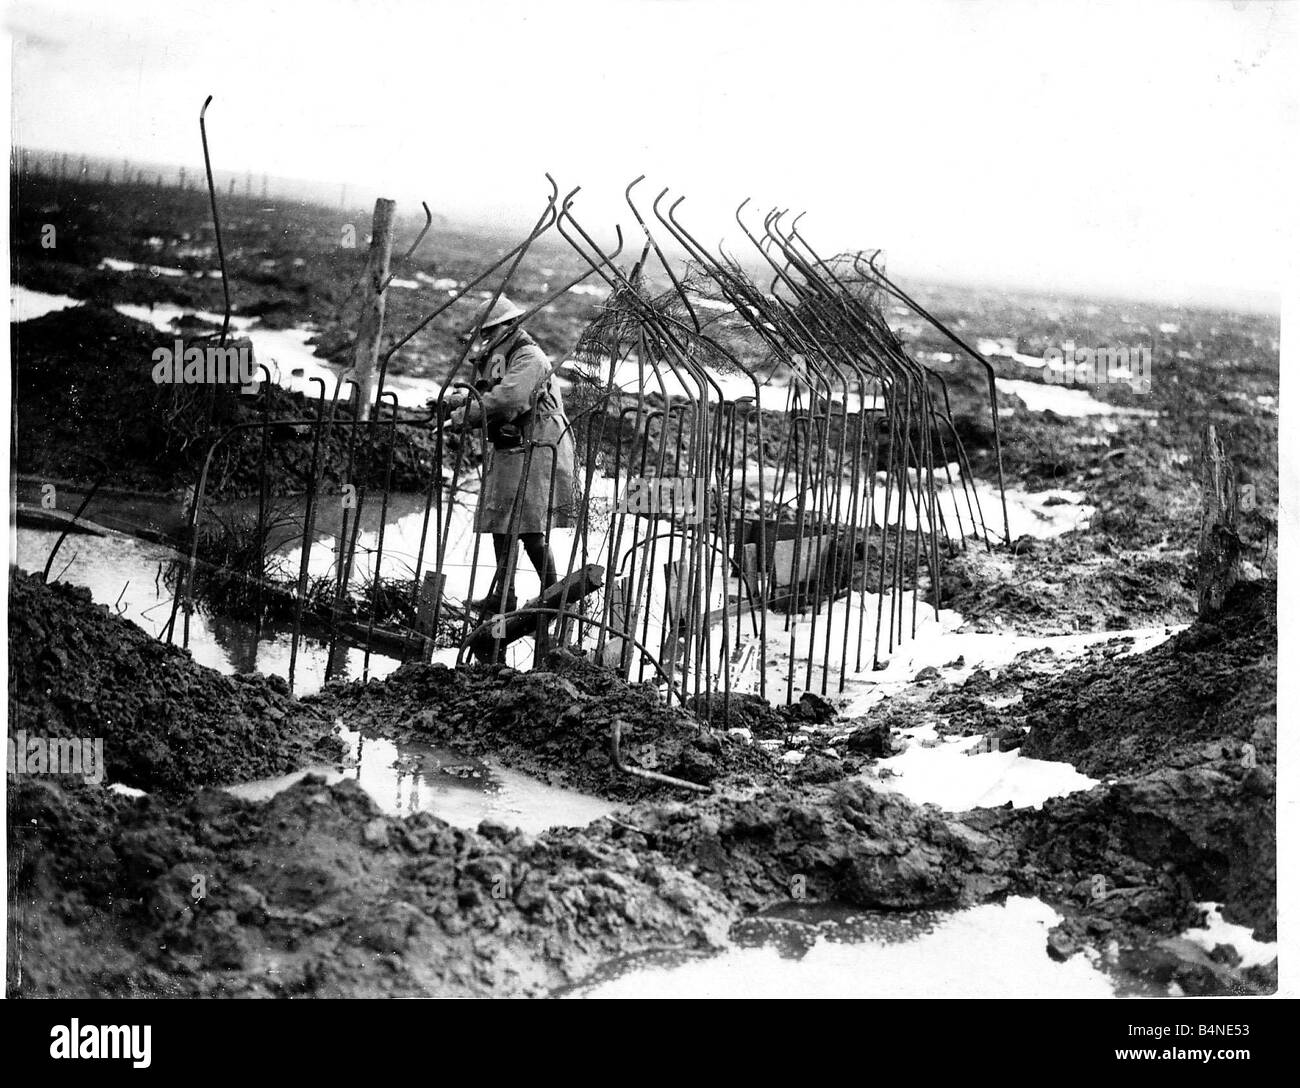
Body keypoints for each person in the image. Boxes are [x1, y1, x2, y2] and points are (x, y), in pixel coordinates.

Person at [443, 296, 577, 614]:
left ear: (508, 326)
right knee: (501, 522)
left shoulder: (528, 356)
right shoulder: (505, 354)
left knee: (530, 528)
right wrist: (457, 402)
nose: (486, 338)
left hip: (539, 447)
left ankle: (553, 598)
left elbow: (509, 399)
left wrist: (463, 418)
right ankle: (503, 596)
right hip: (514, 446)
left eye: (490, 332)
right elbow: (492, 388)